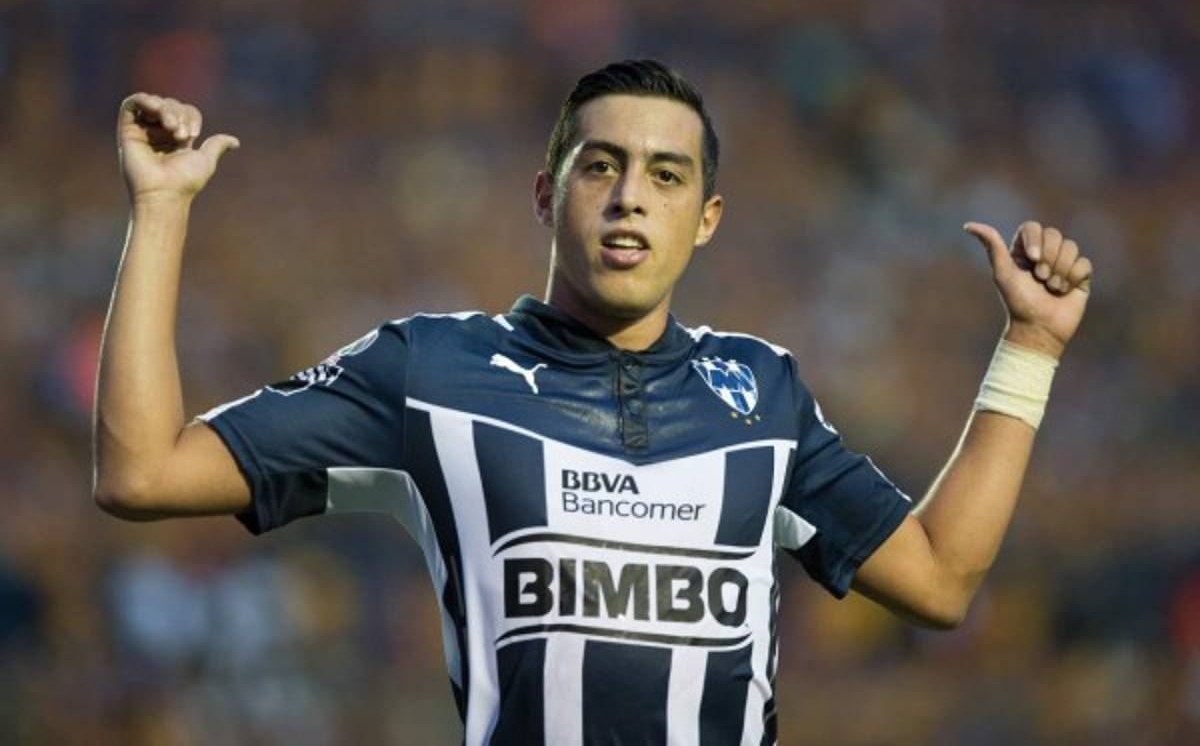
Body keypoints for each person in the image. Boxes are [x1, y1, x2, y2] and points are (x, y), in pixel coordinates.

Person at [94, 59, 1093, 745]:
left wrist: (1029, 350)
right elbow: (141, 471)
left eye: (665, 176)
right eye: (601, 166)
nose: (629, 198)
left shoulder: (764, 395)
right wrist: (162, 207)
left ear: (705, 221)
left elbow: (940, 580)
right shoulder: (430, 373)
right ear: (546, 194)